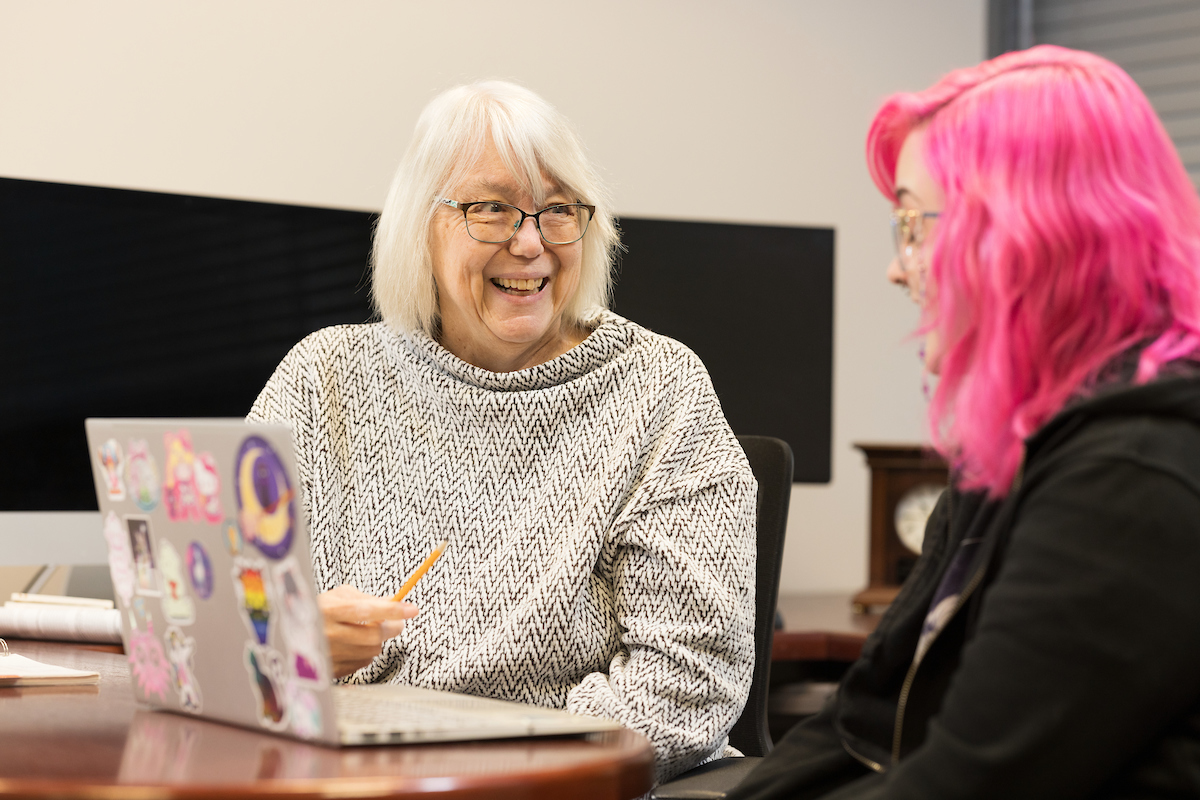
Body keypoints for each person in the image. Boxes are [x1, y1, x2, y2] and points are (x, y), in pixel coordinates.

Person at [248, 80, 756, 783]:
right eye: (491, 209)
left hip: (553, 787)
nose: (530, 243)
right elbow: (212, 632)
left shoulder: (659, 389)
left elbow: (689, 686)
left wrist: (474, 768)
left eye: (557, 211)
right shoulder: (321, 376)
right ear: (418, 225)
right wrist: (284, 643)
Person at [730, 45, 1200, 799]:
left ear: (1023, 237)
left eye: (915, 223)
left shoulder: (1130, 476)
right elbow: (863, 717)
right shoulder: (1010, 455)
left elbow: (970, 784)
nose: (897, 266)